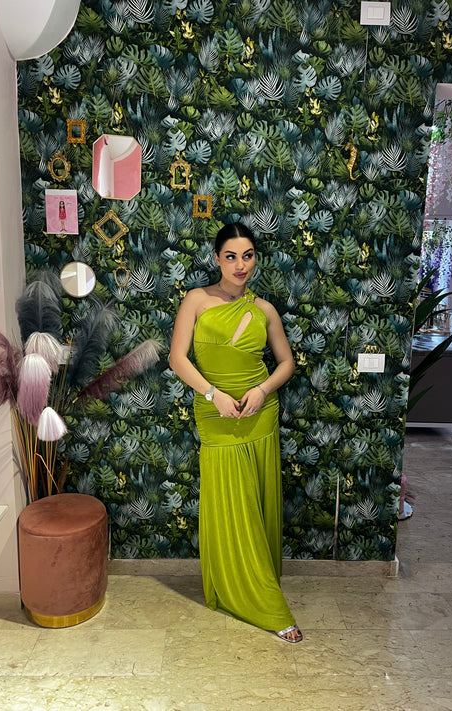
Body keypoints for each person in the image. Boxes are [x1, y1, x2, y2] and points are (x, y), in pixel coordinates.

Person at [169, 222, 302, 643]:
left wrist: (262, 391)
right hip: (216, 415)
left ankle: (261, 583)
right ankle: (248, 594)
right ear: (217, 259)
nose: (240, 265)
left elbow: (287, 363)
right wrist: (213, 395)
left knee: (255, 500)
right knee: (232, 503)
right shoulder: (196, 299)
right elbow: (177, 358)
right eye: (231, 256)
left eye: (247, 255)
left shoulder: (265, 309)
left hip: (259, 414)